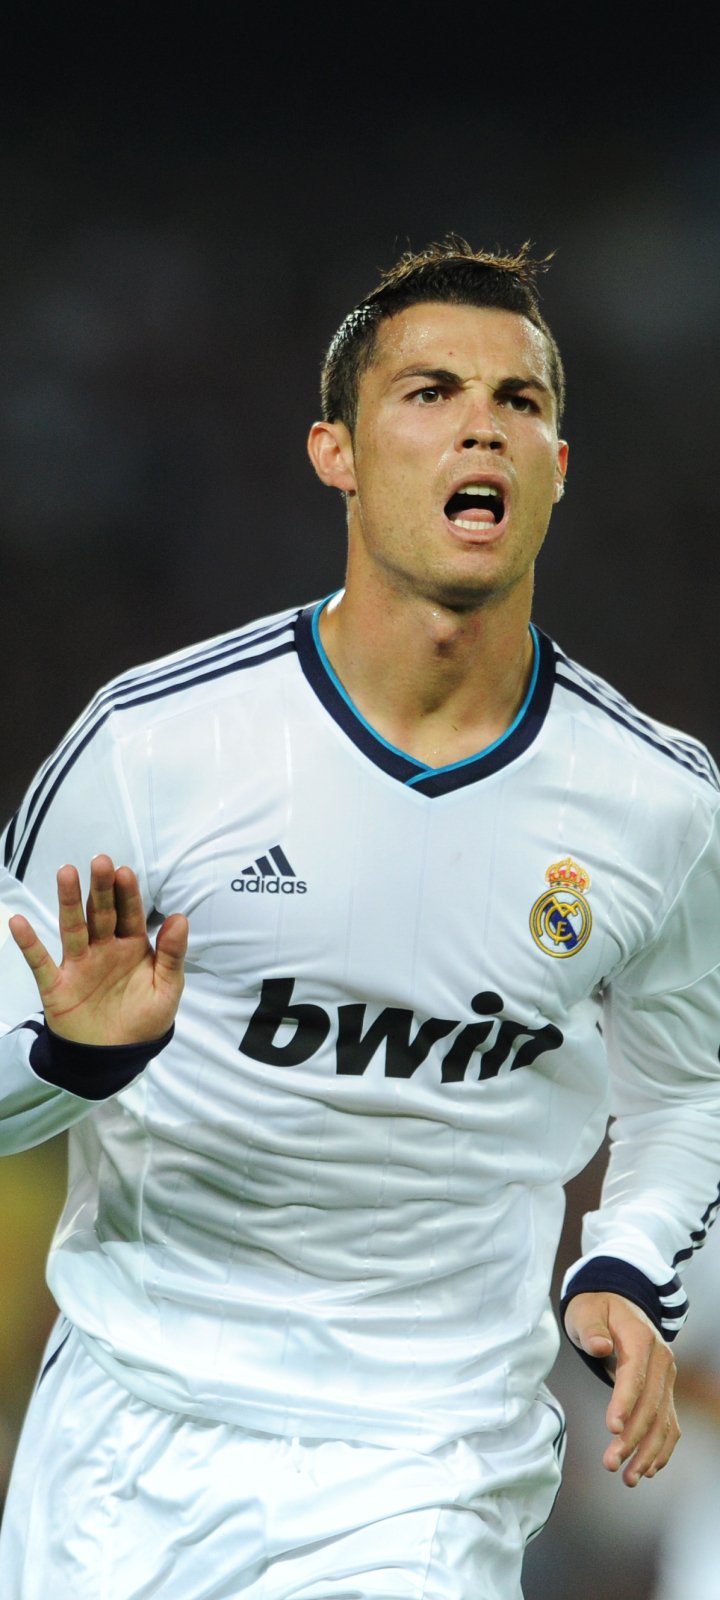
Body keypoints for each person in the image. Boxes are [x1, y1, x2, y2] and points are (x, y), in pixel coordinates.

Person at [0, 237, 718, 1600]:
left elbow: (690, 1082)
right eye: (431, 390)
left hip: (425, 1464)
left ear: (558, 467)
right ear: (334, 450)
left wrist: (627, 1260)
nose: (480, 426)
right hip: (128, 1454)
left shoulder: (659, 805)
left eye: (520, 402)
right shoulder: (153, 751)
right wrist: (72, 1060)